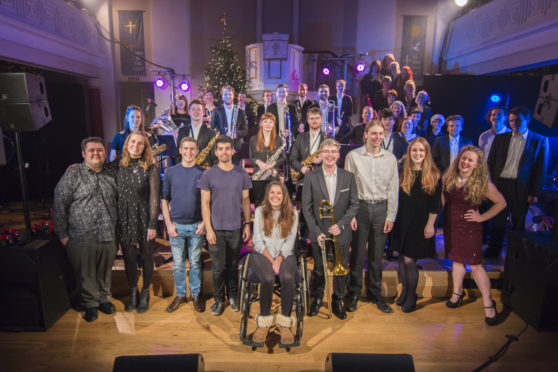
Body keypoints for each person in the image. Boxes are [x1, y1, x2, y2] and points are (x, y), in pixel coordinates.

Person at [53, 137, 118, 322]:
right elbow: (59, 204)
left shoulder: (112, 174)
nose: (96, 153)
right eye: (92, 150)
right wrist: (63, 234)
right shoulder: (73, 175)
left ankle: (104, 299)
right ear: (83, 154)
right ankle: (90, 304)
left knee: (105, 271)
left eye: (100, 150)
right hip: (81, 235)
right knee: (86, 272)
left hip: (107, 233)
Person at [443, 146, 506, 325]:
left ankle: (488, 302)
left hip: (470, 228)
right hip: (451, 225)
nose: (465, 162)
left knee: (476, 266)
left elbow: (501, 203)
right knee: (456, 261)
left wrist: (482, 217)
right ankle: (457, 293)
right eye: (464, 159)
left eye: (470, 160)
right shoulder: (449, 177)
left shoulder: (483, 183)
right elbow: (442, 200)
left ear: (477, 165)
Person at [344, 121, 399, 314]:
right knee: (357, 254)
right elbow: (348, 187)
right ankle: (354, 294)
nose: (377, 137)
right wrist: (349, 214)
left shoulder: (390, 159)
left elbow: (393, 189)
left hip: (381, 209)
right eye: (373, 133)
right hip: (360, 208)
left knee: (377, 255)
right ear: (365, 135)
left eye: (380, 134)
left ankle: (376, 295)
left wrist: (391, 216)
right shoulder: (353, 156)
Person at [302, 139, 359, 319]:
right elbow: (306, 207)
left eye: (333, 151)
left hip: (340, 231)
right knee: (319, 267)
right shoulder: (311, 176)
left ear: (338, 154)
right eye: (326, 151)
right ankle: (317, 298)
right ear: (320, 154)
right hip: (319, 231)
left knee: (340, 268)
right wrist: (316, 231)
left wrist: (342, 224)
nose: (329, 155)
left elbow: (354, 204)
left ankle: (337, 300)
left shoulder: (348, 177)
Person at [485, 106, 549, 258]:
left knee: (518, 222)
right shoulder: (501, 138)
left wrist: (535, 192)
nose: (514, 123)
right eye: (512, 120)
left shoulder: (538, 140)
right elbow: (491, 163)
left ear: (527, 119)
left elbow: (541, 169)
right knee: (498, 220)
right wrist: (490, 184)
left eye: (518, 120)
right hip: (500, 185)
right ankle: (493, 251)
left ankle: (516, 254)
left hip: (522, 188)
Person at [199, 136, 252, 315]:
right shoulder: (208, 175)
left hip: (236, 228)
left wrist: (247, 224)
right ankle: (218, 299)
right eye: (220, 148)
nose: (224, 152)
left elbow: (246, 200)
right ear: (216, 152)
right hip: (216, 230)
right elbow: (204, 204)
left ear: (232, 151)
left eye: (227, 148)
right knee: (218, 267)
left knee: (232, 265)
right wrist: (209, 229)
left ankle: (234, 296)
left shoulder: (241, 174)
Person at [391, 138, 441, 312]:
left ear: (426, 153)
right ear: (409, 152)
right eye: (414, 150)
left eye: (421, 151)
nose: (417, 154)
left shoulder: (434, 174)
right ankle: (404, 290)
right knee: (401, 258)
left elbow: (435, 205)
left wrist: (430, 225)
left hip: (419, 223)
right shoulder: (402, 171)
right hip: (401, 220)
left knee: (409, 259)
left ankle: (412, 294)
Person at [114, 131, 160, 313]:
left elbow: (154, 198)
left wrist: (153, 224)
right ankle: (133, 292)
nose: (136, 145)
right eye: (133, 142)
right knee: (129, 257)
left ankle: (146, 292)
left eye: (141, 143)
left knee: (147, 256)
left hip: (144, 216)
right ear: (127, 144)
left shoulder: (151, 167)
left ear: (145, 147)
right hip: (124, 216)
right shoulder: (117, 165)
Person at [249, 181, 299, 345]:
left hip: (285, 255)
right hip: (262, 254)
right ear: (267, 195)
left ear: (284, 196)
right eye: (272, 193)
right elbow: (257, 241)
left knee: (286, 276)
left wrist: (279, 259)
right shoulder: (259, 211)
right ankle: (264, 322)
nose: (275, 196)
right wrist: (272, 260)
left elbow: (290, 243)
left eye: (279, 193)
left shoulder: (293, 214)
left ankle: (285, 323)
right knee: (268, 278)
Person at [162, 137, 206, 313]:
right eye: (185, 148)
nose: (188, 152)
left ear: (197, 151)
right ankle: (180, 294)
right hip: (176, 226)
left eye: (192, 149)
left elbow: (207, 202)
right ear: (180, 150)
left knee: (195, 262)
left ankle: (196, 294)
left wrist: (204, 222)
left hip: (197, 225)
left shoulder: (203, 173)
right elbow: (164, 200)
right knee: (179, 264)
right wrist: (168, 224)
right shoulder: (171, 172)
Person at [290, 107, 330, 186]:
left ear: (321, 120)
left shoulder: (328, 139)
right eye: (311, 118)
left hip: (323, 181)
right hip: (303, 180)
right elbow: (292, 159)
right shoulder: (300, 138)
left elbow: (337, 160)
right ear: (308, 121)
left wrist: (323, 159)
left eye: (317, 118)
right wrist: (301, 168)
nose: (314, 121)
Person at [211, 85, 248, 160]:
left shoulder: (240, 112)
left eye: (230, 94)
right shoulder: (216, 111)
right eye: (225, 94)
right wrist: (225, 133)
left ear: (233, 96)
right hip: (221, 147)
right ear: (222, 96)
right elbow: (213, 128)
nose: (228, 96)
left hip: (236, 149)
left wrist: (236, 134)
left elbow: (245, 130)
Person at [175, 99, 216, 165]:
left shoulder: (211, 132)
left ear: (203, 112)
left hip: (204, 171)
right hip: (186, 170)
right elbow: (178, 154)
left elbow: (214, 156)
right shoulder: (182, 131)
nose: (196, 112)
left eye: (198, 109)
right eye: (193, 109)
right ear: (189, 112)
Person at [249, 113, 286, 182]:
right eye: (265, 121)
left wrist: (273, 164)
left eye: (270, 122)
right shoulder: (253, 139)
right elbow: (251, 158)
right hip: (258, 174)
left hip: (273, 176)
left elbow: (283, 157)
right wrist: (258, 162)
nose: (268, 124)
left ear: (273, 125)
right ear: (261, 124)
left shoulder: (278, 139)